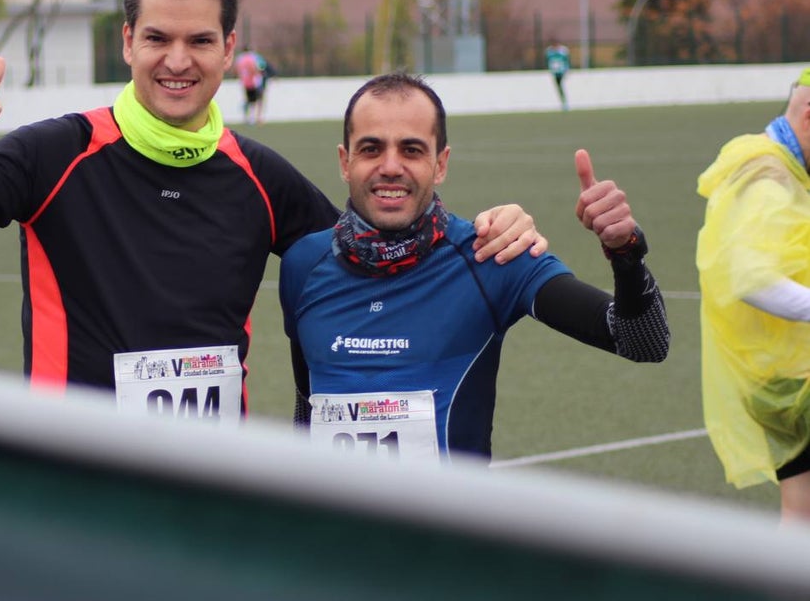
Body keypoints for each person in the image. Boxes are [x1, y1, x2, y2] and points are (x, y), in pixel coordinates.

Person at [0, 0, 544, 425]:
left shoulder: (258, 176)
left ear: (229, 48)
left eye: (199, 40)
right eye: (157, 37)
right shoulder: (54, 154)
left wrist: (492, 228)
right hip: (73, 481)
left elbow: (375, 253)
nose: (177, 60)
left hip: (207, 487)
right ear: (127, 41)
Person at [280, 72, 670, 464]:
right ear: (345, 162)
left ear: (441, 163)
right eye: (371, 149)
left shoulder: (492, 254)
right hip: (330, 528)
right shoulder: (304, 264)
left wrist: (626, 252)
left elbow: (644, 341)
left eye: (412, 150)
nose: (391, 167)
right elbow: (307, 407)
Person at [696, 68, 810, 525]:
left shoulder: (778, 164)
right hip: (789, 376)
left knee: (801, 509)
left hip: (779, 374)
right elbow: (751, 278)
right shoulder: (768, 175)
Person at [235, 46, 275, 125]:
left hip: (245, 83)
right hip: (254, 82)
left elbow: (237, 70)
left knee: (249, 100)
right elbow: (259, 67)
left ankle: (248, 118)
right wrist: (258, 74)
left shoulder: (239, 59)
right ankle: (258, 118)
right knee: (259, 99)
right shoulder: (253, 57)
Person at [545, 40, 571, 112]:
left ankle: (564, 103)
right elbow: (548, 61)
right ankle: (563, 103)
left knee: (560, 86)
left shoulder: (563, 51)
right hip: (555, 72)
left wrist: (567, 70)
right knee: (558, 87)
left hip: (562, 72)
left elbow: (567, 60)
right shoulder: (549, 51)